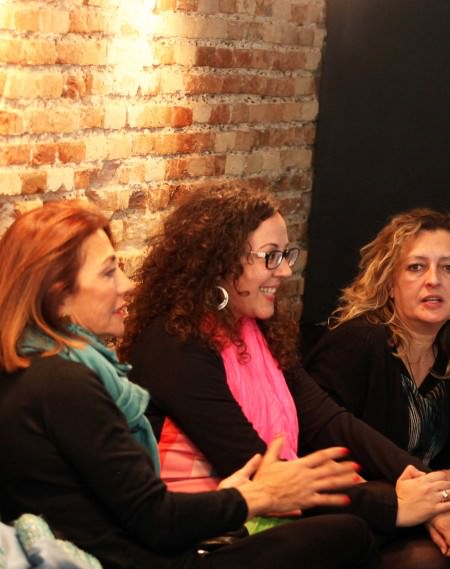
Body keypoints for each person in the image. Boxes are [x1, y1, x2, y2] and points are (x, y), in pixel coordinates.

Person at [0, 201, 375, 569]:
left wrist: (240, 496)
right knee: (348, 534)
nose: (128, 285)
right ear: (59, 294)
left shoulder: (32, 368)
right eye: (108, 272)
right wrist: (256, 496)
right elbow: (155, 519)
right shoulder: (64, 383)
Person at [120, 189, 450, 567]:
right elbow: (258, 467)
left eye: (286, 255)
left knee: (441, 530)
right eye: (271, 256)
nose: (285, 270)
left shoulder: (255, 327)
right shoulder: (175, 343)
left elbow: (329, 421)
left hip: (267, 512)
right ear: (219, 262)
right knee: (357, 532)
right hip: (207, 533)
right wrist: (398, 505)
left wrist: (431, 487)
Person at [305, 208, 450, 569]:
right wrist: (423, 500)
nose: (434, 280)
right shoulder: (358, 343)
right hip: (357, 507)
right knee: (434, 557)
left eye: (449, 268)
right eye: (416, 267)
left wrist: (443, 489)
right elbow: (319, 448)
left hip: (421, 498)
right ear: (390, 284)